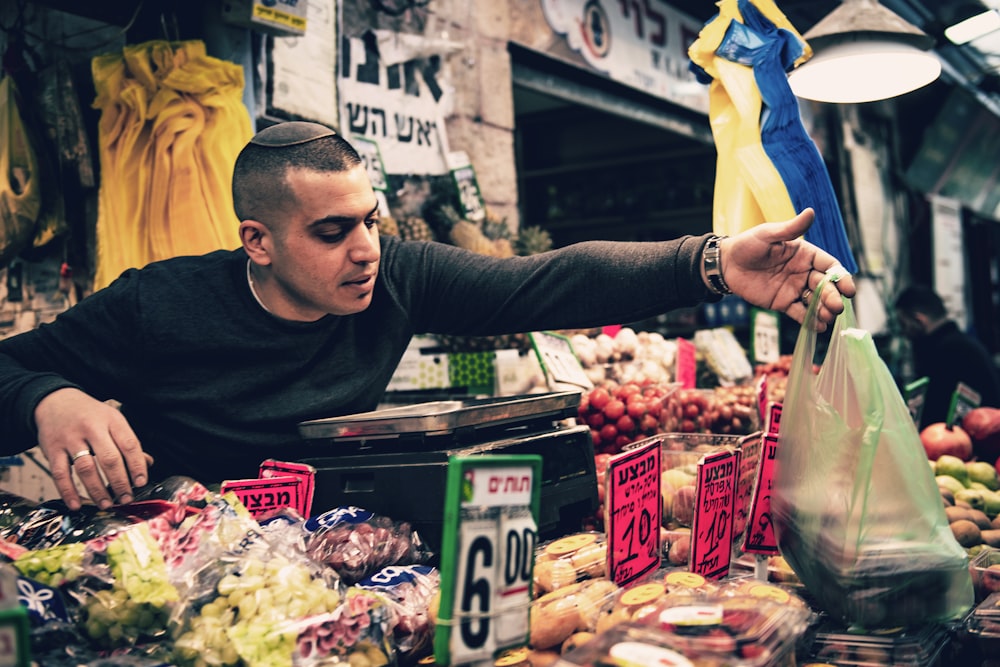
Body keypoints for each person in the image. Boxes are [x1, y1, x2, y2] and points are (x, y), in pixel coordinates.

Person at [0, 121, 856, 512]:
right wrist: (49, 396)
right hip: (182, 558)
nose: (366, 248)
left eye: (370, 219)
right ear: (257, 241)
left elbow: (546, 281)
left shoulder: (397, 275)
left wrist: (709, 258)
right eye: (332, 232)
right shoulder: (160, 302)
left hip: (334, 553)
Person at [894, 284, 1000, 429]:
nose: (904, 333)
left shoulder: (945, 352)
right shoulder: (963, 343)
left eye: (903, 325)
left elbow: (934, 414)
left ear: (919, 320)